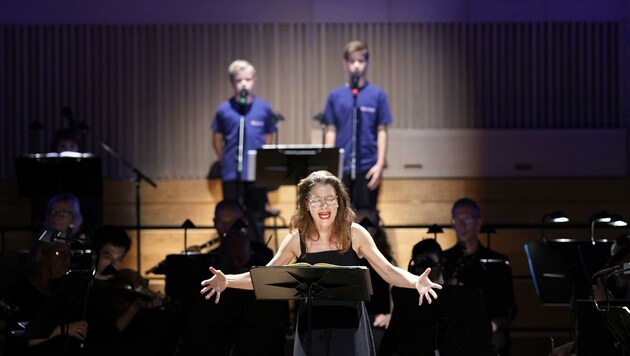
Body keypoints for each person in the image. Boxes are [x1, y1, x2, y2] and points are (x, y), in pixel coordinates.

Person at [200, 170, 442, 355]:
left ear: (339, 201)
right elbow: (262, 277)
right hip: (311, 328)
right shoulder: (297, 239)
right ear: (306, 204)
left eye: (329, 199)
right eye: (316, 200)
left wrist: (415, 282)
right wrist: (227, 280)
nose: (324, 206)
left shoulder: (355, 233)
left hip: (350, 327)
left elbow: (388, 271)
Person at [381, 238, 492, 356]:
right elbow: (392, 339)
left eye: (430, 265)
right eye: (420, 265)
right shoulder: (406, 298)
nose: (425, 271)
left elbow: (479, 336)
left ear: (442, 263)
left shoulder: (460, 296)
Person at [211, 59, 277, 244]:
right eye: (239, 80)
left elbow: (268, 137)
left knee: (256, 216)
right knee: (231, 215)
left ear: (254, 79)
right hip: (232, 173)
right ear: (232, 82)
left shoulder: (263, 108)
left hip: (256, 174)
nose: (244, 84)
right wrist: (224, 161)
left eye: (247, 80)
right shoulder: (224, 109)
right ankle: (231, 253)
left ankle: (257, 256)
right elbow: (217, 139)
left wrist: (264, 163)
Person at [87, 225, 179, 356]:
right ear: (95, 254)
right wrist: (134, 307)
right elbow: (106, 337)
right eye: (107, 256)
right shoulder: (84, 288)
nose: (113, 265)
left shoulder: (123, 282)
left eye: (119, 259)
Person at [323, 40, 393, 210]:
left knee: (367, 218)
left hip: (368, 167)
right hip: (342, 167)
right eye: (352, 61)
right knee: (340, 218)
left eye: (360, 61)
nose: (356, 66)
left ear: (366, 63)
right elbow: (331, 130)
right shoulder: (335, 96)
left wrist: (379, 164)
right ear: (345, 64)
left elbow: (382, 131)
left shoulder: (377, 95)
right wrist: (329, 165)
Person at [443, 198, 517, 356]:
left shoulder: (497, 262)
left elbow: (510, 307)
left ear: (478, 222)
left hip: (487, 329)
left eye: (467, 219)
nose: (462, 225)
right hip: (453, 329)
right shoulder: (445, 260)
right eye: (457, 219)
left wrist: (495, 324)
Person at [4, 240, 88, 356]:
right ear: (41, 257)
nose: (65, 259)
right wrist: (60, 329)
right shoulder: (19, 290)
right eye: (59, 253)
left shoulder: (65, 292)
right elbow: (18, 333)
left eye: (69, 254)